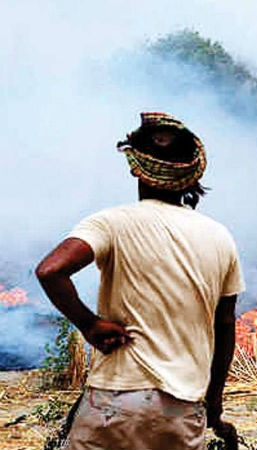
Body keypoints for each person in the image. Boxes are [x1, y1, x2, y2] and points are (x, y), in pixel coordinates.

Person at [36, 112, 245, 450]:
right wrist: (215, 405)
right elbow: (225, 325)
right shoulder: (220, 237)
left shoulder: (110, 223)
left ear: (136, 167)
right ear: (191, 174)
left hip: (114, 402)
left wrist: (89, 324)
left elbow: (50, 270)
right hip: (182, 409)